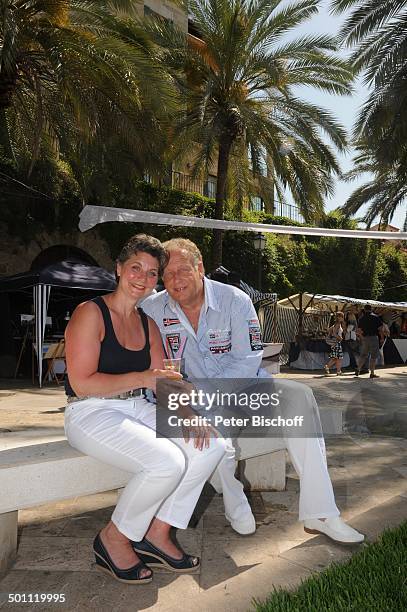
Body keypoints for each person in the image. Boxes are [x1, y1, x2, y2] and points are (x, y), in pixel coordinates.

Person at [142, 238, 364, 544]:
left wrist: (206, 396)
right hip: (188, 400)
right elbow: (152, 368)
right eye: (167, 273)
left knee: (299, 397)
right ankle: (234, 499)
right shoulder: (152, 308)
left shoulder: (235, 300)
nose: (175, 279)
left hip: (245, 387)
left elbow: (247, 362)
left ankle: (320, 513)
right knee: (212, 433)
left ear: (200, 267)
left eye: (182, 269)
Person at [64, 234, 226, 584]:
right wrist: (142, 377)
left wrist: (187, 415)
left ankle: (157, 532)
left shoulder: (147, 324)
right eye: (136, 267)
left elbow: (163, 382)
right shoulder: (90, 313)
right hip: (91, 411)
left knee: (212, 445)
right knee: (166, 463)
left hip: (135, 407)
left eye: (153, 273)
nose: (143, 277)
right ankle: (113, 538)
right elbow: (82, 382)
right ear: (119, 268)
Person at [355, 305, 383, 378]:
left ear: (364, 309)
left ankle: (358, 369)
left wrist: (362, 337)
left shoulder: (361, 318)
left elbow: (358, 330)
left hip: (365, 338)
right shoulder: (375, 317)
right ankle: (372, 373)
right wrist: (382, 338)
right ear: (371, 309)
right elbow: (380, 329)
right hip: (374, 337)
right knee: (373, 356)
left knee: (363, 355)